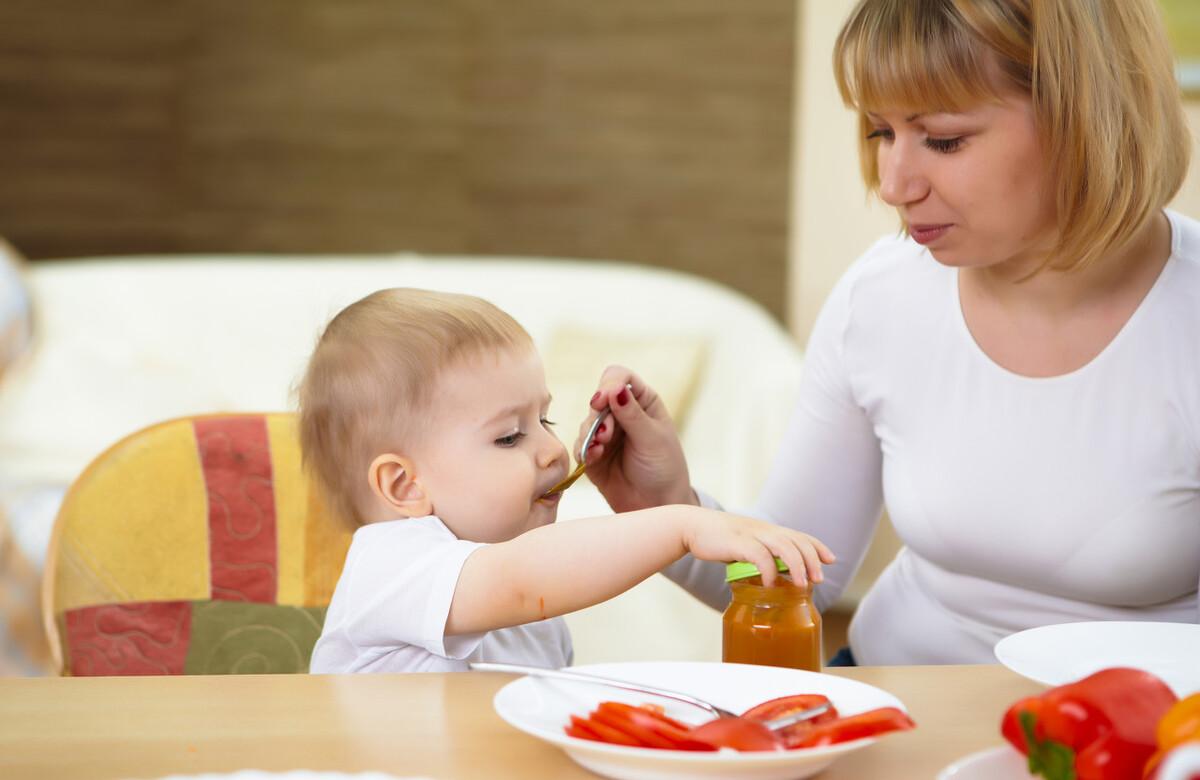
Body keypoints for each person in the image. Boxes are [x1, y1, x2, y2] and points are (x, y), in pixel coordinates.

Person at [575, 0, 1200, 666]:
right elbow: (792, 584)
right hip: (892, 704)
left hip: (1129, 740)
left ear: (1084, 120)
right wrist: (669, 506)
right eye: (880, 133)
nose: (895, 184)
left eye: (944, 139)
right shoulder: (881, 296)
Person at [300, 288, 834, 673]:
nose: (554, 450)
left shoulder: (534, 622)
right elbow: (521, 579)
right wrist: (682, 525)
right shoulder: (391, 563)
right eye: (510, 437)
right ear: (404, 486)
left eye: (546, 421)